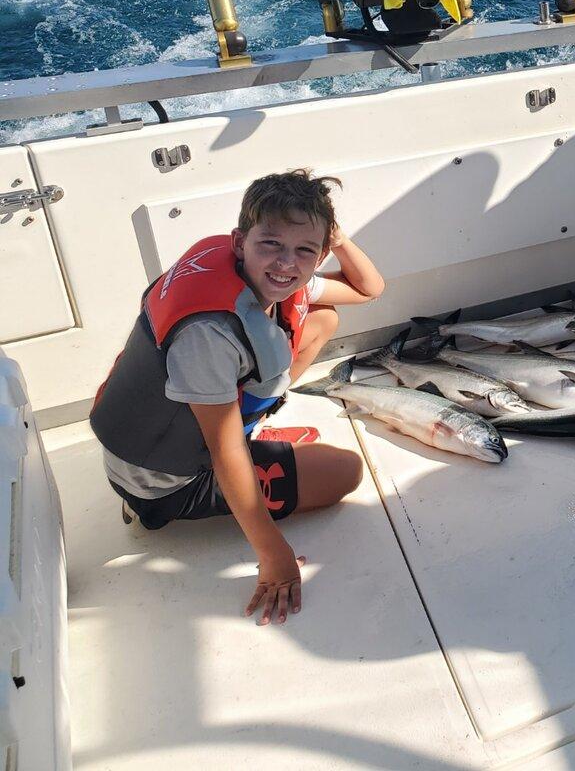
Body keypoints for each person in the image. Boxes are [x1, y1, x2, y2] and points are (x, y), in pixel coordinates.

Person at [89, 169, 385, 624]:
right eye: (271, 244)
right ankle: (157, 506)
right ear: (239, 241)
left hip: (165, 418)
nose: (286, 264)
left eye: (305, 250)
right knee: (345, 471)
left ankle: (255, 430)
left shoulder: (266, 272)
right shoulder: (209, 332)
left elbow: (369, 290)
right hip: (161, 478)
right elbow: (223, 452)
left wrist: (337, 240)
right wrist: (273, 554)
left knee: (324, 320)